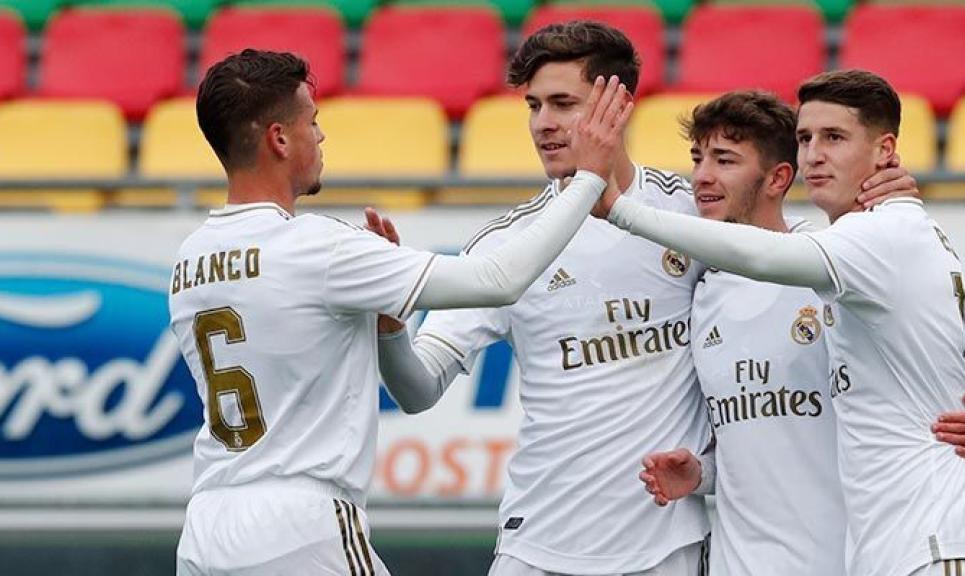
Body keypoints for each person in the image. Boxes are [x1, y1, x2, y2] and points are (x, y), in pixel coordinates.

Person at [371, 25, 917, 576]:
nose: (543, 123)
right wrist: (391, 327)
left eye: (564, 103)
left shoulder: (691, 214)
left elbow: (808, 257)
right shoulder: (506, 245)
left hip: (667, 546)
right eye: (534, 106)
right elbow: (416, 391)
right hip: (537, 543)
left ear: (620, 105)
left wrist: (884, 195)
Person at [168, 48, 632, 575]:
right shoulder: (317, 246)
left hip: (206, 524)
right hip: (299, 521)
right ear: (279, 138)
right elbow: (499, 279)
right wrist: (590, 180)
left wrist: (387, 323)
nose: (319, 137)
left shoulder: (190, 258)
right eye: (312, 122)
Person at [598, 70, 965, 576]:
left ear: (886, 150)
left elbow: (764, 257)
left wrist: (620, 211)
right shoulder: (861, 248)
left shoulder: (875, 238)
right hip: (893, 552)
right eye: (806, 138)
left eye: (835, 137)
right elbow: (961, 373)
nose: (814, 155)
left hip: (937, 543)